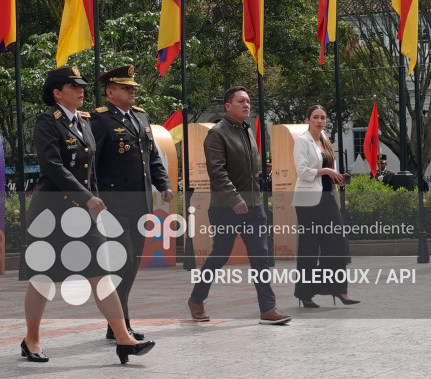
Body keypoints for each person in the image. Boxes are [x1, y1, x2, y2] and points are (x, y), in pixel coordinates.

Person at [22, 66, 155, 365]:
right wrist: (88, 197)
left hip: (83, 214)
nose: (81, 90)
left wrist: (95, 201)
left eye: (82, 85)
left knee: (101, 274)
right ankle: (31, 339)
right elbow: (53, 167)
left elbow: (91, 169)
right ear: (57, 93)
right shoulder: (47, 122)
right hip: (51, 213)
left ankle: (123, 339)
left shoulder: (84, 122)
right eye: (74, 86)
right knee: (43, 279)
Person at [187, 86, 291, 325]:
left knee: (260, 256)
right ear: (228, 106)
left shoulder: (247, 130)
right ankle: (196, 298)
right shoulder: (217, 134)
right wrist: (235, 199)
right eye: (241, 101)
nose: (247, 105)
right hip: (225, 208)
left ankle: (268, 308)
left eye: (248, 101)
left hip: (254, 206)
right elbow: (217, 172)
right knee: (220, 255)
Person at [91, 65, 174, 341]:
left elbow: (151, 157)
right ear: (110, 93)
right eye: (126, 88)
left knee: (132, 264)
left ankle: (117, 325)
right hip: (113, 205)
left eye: (133, 87)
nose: (132, 91)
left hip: (140, 203)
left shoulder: (140, 117)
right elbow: (91, 164)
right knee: (122, 263)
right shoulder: (99, 120)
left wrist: (163, 185)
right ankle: (120, 326)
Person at [293, 104, 359, 308]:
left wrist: (337, 178)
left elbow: (331, 171)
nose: (320, 121)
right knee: (309, 247)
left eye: (322, 117)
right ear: (307, 119)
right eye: (315, 117)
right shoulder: (302, 141)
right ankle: (305, 293)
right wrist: (326, 171)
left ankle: (339, 290)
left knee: (337, 244)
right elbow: (302, 171)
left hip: (328, 197)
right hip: (308, 201)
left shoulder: (326, 141)